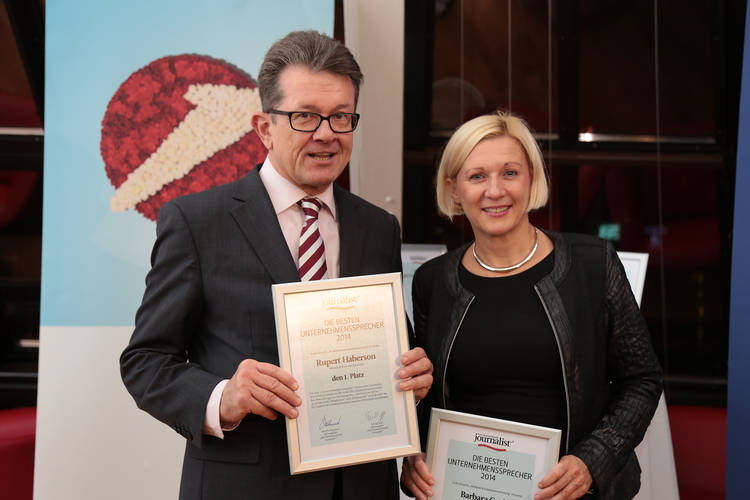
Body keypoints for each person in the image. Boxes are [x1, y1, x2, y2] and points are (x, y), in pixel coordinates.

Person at [120, 30, 433, 500]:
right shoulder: (197, 222)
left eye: (341, 116)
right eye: (305, 116)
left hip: (362, 487)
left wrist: (413, 374)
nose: (326, 134)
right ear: (264, 128)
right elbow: (145, 362)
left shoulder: (378, 227)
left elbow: (393, 348)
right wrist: (222, 397)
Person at [400, 111, 662, 500]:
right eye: (477, 176)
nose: (495, 191)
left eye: (510, 173)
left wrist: (592, 461)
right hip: (465, 491)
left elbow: (642, 379)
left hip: (571, 494)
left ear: (532, 178)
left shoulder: (592, 264)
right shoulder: (433, 281)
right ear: (454, 189)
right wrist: (416, 454)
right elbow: (428, 394)